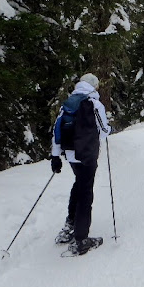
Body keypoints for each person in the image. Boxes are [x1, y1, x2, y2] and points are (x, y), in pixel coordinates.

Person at [51, 73, 111, 255]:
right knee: (86, 193)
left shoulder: (68, 103)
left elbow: (57, 129)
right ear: (94, 87)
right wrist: (107, 131)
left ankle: (70, 224)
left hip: (70, 155)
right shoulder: (95, 104)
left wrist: (55, 156)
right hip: (87, 155)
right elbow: (103, 130)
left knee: (79, 185)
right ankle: (81, 239)